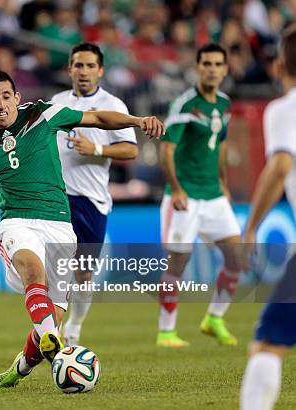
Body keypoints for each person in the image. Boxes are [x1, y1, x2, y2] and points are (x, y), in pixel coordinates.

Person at [0, 69, 163, 388]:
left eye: (7, 96)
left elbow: (98, 119)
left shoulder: (42, 114)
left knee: (51, 315)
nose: (1, 104)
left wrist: (138, 120)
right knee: (34, 274)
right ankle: (59, 350)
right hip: (17, 221)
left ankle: (19, 369)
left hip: (59, 224)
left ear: (17, 98)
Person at [51, 43, 139, 346]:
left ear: (100, 70)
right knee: (56, 270)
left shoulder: (113, 104)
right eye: (78, 65)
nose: (83, 71)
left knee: (83, 274)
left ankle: (74, 324)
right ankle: (51, 333)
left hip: (91, 200)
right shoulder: (57, 102)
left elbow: (131, 149)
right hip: (57, 198)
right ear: (70, 69)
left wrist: (96, 149)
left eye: (90, 66)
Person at [157, 43, 244, 348]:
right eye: (206, 63)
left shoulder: (224, 104)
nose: (212, 68)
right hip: (186, 195)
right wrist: (177, 188)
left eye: (217, 64)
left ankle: (214, 319)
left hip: (213, 194)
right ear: (198, 67)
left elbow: (218, 144)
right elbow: (166, 148)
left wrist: (222, 181)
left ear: (225, 69)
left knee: (237, 257)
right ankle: (166, 331)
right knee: (178, 262)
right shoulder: (185, 104)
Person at [240, 24, 296, 410]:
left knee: (267, 344)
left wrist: (251, 226)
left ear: (278, 67)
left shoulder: (284, 109)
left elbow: (279, 166)